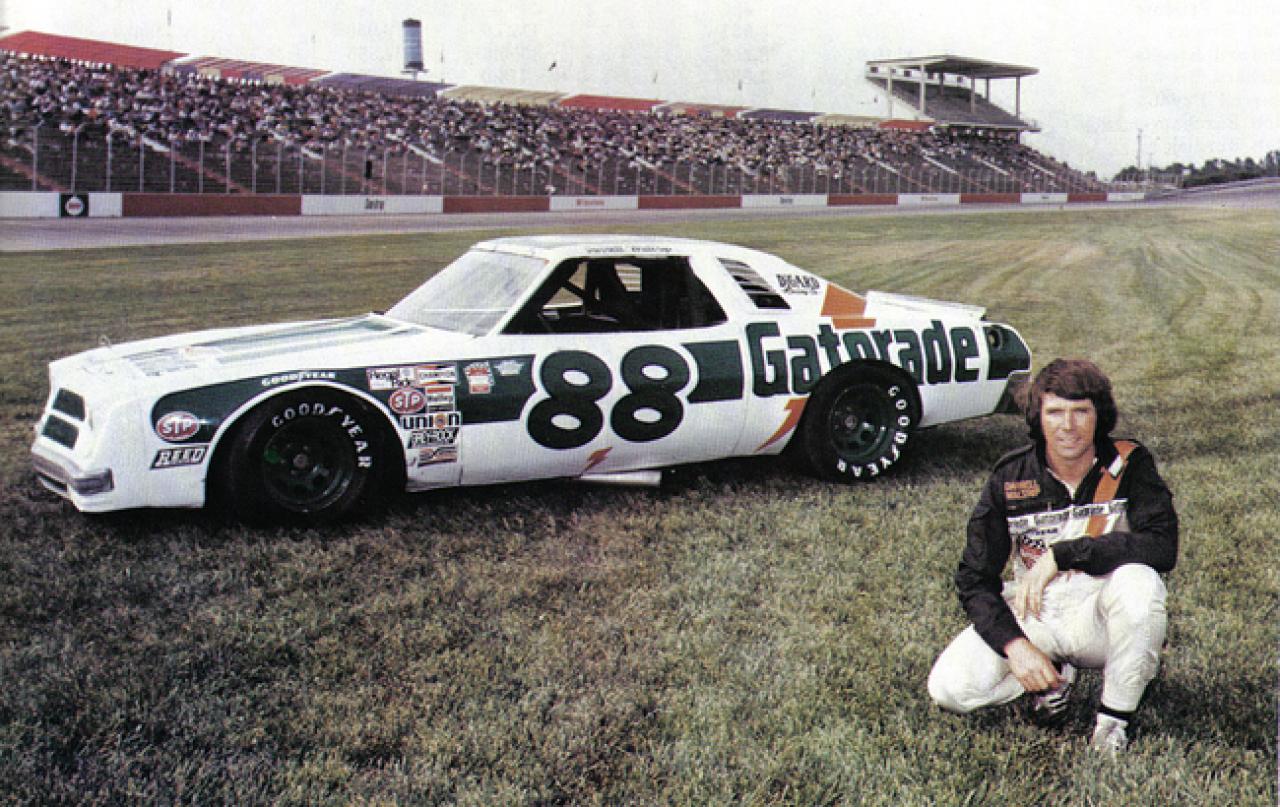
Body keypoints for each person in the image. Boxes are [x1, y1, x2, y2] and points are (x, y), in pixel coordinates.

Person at [927, 358, 1178, 753]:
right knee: (950, 689)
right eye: (1055, 412)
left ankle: (1112, 724)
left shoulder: (1128, 463)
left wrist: (1063, 555)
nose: (1068, 425)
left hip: (1102, 614)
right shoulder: (1011, 476)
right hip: (1037, 611)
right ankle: (1052, 672)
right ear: (1037, 417)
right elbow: (974, 578)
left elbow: (1162, 546)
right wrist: (1015, 646)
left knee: (1140, 583)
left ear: (1099, 415)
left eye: (1081, 411)